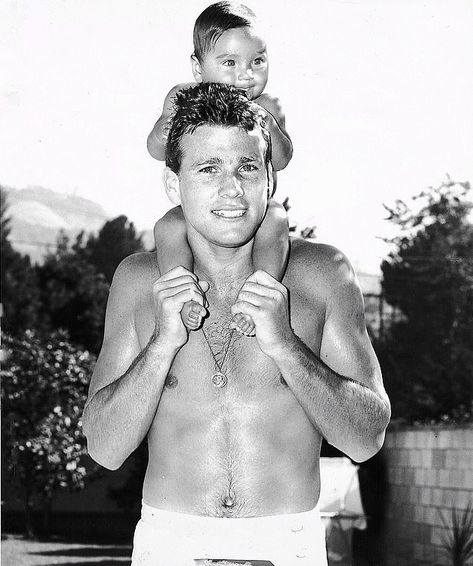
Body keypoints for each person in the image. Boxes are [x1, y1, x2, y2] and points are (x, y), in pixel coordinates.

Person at [82, 83, 391, 566]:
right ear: (173, 184)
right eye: (208, 169)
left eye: (247, 168)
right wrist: (163, 344)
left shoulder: (322, 274)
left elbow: (366, 438)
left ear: (269, 177)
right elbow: (103, 447)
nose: (232, 190)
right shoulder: (139, 279)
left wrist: (286, 345)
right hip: (170, 541)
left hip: (287, 541)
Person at [147, 1, 292, 336]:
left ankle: (260, 293)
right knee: (168, 228)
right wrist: (165, 127)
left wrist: (271, 127)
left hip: (255, 209)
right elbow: (156, 150)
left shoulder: (268, 106)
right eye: (230, 62)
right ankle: (183, 297)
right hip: (202, 209)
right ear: (199, 68)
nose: (246, 74)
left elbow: (282, 159)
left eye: (258, 61)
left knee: (277, 219)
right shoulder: (183, 96)